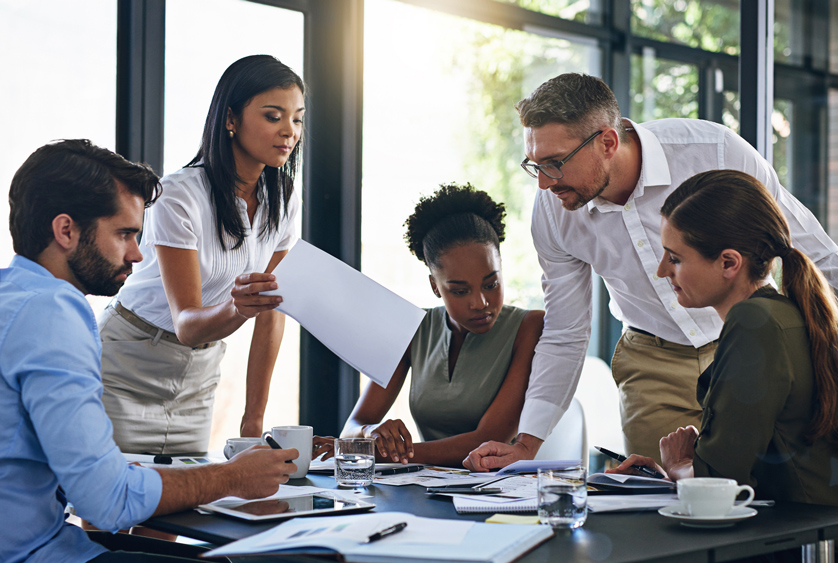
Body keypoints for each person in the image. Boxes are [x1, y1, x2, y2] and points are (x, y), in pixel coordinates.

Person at [464, 73, 838, 470]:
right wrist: (527, 443)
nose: (543, 182)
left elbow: (819, 257)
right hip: (652, 363)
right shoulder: (554, 210)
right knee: (664, 512)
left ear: (606, 141)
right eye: (534, 165)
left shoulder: (714, 153)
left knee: (762, 504)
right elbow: (566, 330)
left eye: (554, 163)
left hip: (749, 349)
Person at [1, 139, 298, 563]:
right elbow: (106, 501)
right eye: (124, 234)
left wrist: (113, 470)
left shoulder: (12, 295)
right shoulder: (54, 314)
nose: (137, 254)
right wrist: (232, 477)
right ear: (66, 231)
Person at [611, 169, 838, 563]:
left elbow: (721, 483)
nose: (661, 271)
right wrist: (675, 470)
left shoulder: (754, 324)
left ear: (728, 263)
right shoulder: (785, 313)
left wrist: (678, 467)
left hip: (817, 549)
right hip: (834, 541)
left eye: (675, 258)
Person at [99, 55, 304, 454]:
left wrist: (253, 418)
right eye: (273, 116)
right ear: (230, 119)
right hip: (128, 363)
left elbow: (271, 311)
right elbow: (187, 324)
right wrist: (238, 308)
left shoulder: (284, 197)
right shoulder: (178, 195)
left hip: (200, 373)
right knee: (113, 492)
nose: (289, 131)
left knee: (189, 490)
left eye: (297, 119)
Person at [313, 184, 544, 467]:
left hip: (504, 487)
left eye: (491, 284)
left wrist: (370, 451)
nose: (480, 302)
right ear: (435, 286)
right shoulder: (412, 328)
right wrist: (369, 432)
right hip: (425, 485)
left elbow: (488, 440)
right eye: (460, 291)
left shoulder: (529, 327)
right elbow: (353, 425)